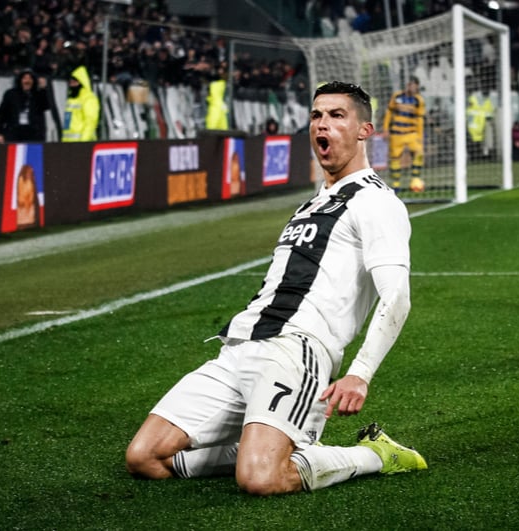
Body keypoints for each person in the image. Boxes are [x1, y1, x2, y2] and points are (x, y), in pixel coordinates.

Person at [126, 81, 427, 496]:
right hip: (239, 347)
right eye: (316, 116)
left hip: (297, 351)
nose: (323, 125)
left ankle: (374, 454)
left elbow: (396, 295)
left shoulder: (376, 201)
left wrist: (359, 374)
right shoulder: (311, 204)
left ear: (364, 131)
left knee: (260, 478)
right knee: (144, 457)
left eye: (337, 116)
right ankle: (278, 441)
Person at [383, 76, 425, 192]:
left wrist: (420, 137)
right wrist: (386, 129)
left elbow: (420, 120)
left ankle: (415, 180)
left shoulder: (418, 100)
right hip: (396, 134)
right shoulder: (397, 96)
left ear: (417, 87)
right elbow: (389, 113)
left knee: (419, 153)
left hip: (412, 133)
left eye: (413, 85)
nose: (410, 87)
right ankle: (396, 184)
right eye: (409, 84)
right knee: (395, 159)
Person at [0, 69, 50, 143]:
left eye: (30, 78)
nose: (27, 81)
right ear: (20, 80)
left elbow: (46, 106)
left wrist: (43, 89)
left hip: (33, 134)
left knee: (32, 154)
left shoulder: (37, 95)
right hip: (14, 133)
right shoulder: (11, 94)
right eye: (25, 78)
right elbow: (1, 115)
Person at [62, 65, 100, 142]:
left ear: (81, 82)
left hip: (83, 143)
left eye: (75, 81)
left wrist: (83, 142)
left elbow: (91, 122)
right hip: (67, 143)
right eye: (71, 81)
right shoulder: (70, 99)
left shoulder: (88, 98)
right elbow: (67, 123)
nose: (72, 83)